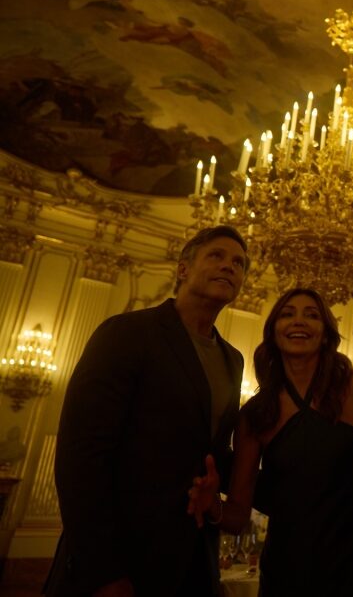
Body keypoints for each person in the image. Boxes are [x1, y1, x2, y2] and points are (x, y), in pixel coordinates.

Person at [46, 225, 249, 597]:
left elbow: (212, 451)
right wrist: (103, 571)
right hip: (122, 554)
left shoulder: (233, 360)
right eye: (216, 256)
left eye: (239, 263)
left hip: (192, 558)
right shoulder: (127, 332)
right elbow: (81, 455)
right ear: (183, 269)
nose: (229, 266)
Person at [186, 288, 353, 595]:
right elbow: (237, 517)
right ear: (273, 332)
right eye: (287, 314)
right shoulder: (256, 414)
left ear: (325, 334)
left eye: (312, 315)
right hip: (287, 573)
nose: (299, 321)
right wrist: (212, 506)